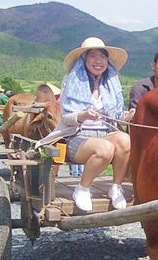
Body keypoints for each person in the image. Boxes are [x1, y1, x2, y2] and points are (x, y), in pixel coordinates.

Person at [52, 37, 131, 211]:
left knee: (125, 140)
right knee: (105, 148)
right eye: (93, 56)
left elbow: (115, 116)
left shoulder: (111, 83)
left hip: (105, 133)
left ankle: (116, 187)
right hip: (76, 137)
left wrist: (127, 116)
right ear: (84, 59)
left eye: (102, 57)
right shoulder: (71, 81)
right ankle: (82, 188)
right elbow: (65, 117)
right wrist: (82, 115)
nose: (98, 61)